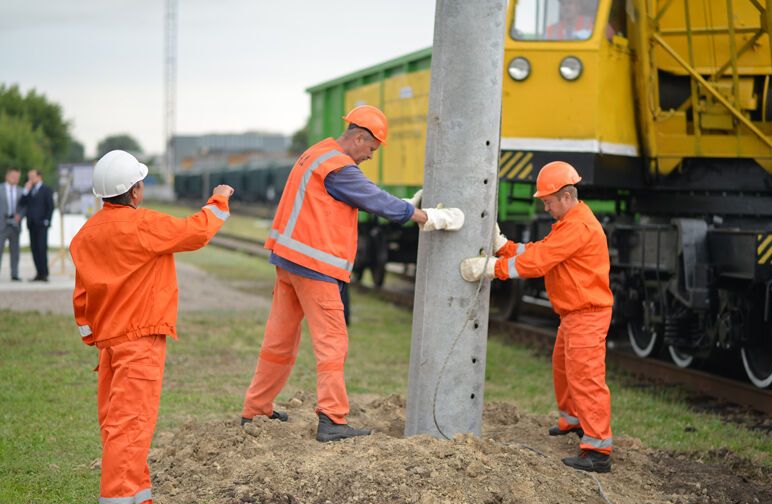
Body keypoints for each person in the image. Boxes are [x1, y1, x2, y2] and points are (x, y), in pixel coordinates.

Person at [241, 105, 464, 442]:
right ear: (359, 137)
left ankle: (255, 410)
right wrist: (427, 217)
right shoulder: (339, 168)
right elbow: (374, 199)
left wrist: (402, 204)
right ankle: (332, 419)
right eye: (371, 149)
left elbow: (364, 196)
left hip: (289, 261)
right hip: (314, 266)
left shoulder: (317, 153)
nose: (370, 156)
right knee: (333, 343)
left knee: (280, 340)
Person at [70, 150, 234, 504]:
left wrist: (94, 336)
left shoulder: (85, 236)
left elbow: (82, 298)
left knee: (121, 426)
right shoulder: (142, 226)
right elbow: (196, 231)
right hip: (140, 340)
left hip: (110, 344)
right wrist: (220, 199)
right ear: (135, 191)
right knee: (132, 426)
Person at [459, 161, 614, 473]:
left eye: (548, 202)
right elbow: (539, 251)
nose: (546, 208)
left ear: (566, 197)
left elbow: (538, 262)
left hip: (586, 314)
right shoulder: (570, 224)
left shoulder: (578, 227)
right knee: (564, 369)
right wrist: (505, 247)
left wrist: (493, 269)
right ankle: (573, 423)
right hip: (575, 314)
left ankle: (598, 449)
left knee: (585, 377)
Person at [18, 168, 54, 281]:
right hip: (31, 224)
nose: (30, 179)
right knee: (34, 249)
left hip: (42, 224)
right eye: (29, 177)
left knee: (42, 248)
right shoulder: (29, 190)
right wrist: (26, 190)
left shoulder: (46, 189)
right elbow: (21, 203)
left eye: (32, 176)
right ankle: (38, 273)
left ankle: (44, 274)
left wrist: (47, 220)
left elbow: (50, 206)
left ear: (39, 177)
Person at [0, 167, 24, 281]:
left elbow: (25, 207)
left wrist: (20, 215)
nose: (15, 179)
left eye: (17, 177)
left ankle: (14, 274)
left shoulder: (21, 191)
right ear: (7, 176)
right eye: (13, 177)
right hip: (2, 225)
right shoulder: (0, 189)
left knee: (15, 251)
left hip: (15, 225)